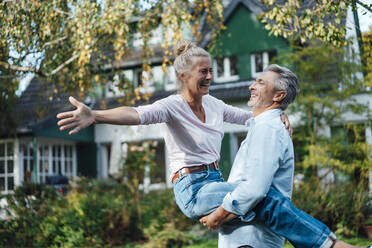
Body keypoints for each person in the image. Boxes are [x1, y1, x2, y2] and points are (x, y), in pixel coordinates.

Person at [56, 40, 355, 248]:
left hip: (215, 181)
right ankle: (331, 245)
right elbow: (136, 114)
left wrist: (282, 112)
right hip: (191, 189)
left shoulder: (215, 105)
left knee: (254, 214)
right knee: (262, 198)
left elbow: (254, 118)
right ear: (183, 75)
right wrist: (95, 115)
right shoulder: (171, 106)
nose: (210, 76)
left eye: (211, 70)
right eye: (204, 72)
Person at [199, 64, 357, 248]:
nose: (251, 86)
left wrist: (217, 217)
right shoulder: (264, 125)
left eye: (260, 82)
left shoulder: (268, 128)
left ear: (278, 95)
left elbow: (254, 188)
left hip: (250, 238)